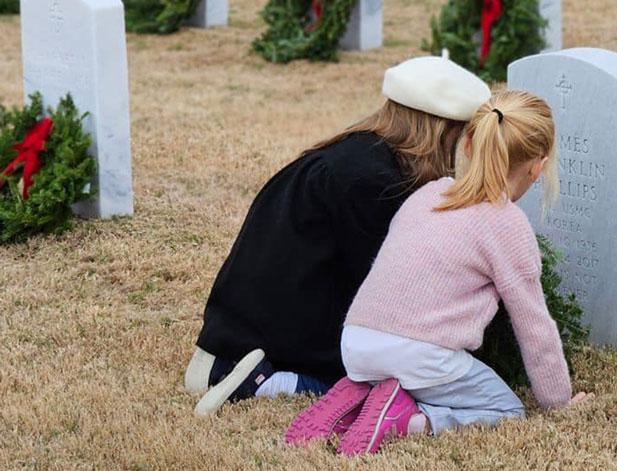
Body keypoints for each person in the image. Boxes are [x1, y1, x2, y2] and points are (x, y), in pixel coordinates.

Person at [283, 90, 589, 455]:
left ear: (470, 145)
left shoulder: (429, 194)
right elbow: (534, 326)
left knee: (410, 369)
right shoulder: (507, 223)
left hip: (356, 342)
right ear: (537, 167)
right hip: (419, 354)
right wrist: (559, 401)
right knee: (505, 409)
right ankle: (409, 420)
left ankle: (360, 398)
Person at [187, 56, 491, 416]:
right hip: (267, 340)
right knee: (382, 377)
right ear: (443, 132)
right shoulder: (375, 183)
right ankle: (267, 381)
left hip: (245, 322)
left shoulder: (362, 154)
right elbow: (392, 295)